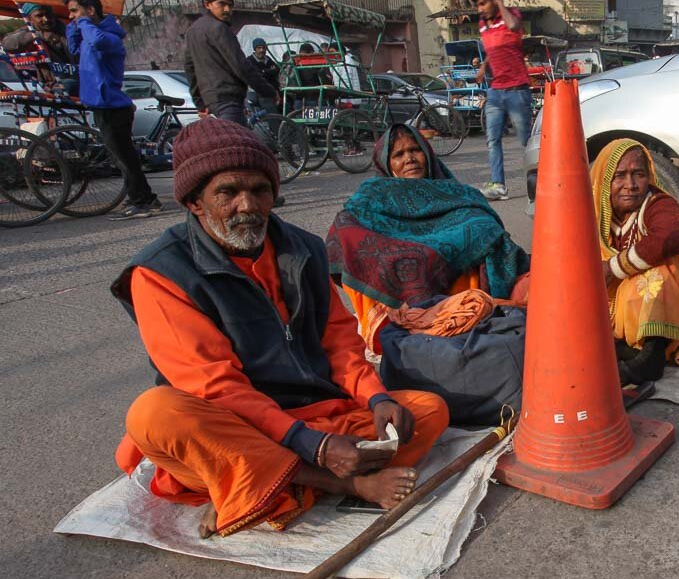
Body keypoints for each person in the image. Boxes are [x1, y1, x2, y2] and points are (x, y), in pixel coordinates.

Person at [111, 118, 450, 538]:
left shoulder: (302, 249)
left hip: (312, 413)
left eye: (259, 190)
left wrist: (376, 397)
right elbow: (215, 386)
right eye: (228, 193)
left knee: (427, 410)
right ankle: (340, 483)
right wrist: (317, 448)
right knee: (153, 415)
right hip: (235, 426)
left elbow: (341, 343)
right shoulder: (160, 273)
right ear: (196, 203)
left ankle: (266, 485)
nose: (248, 205)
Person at [326, 123, 530, 339]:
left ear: (427, 153)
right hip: (394, 298)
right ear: (387, 163)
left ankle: (462, 318)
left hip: (461, 305)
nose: (409, 159)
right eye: (399, 154)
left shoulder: (458, 194)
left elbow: (487, 228)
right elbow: (343, 229)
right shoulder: (374, 194)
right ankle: (386, 330)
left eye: (415, 150)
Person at [591, 139, 679, 384]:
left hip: (676, 303)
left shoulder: (658, 203)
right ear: (605, 179)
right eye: (620, 176)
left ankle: (651, 356)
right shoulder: (594, 212)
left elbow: (669, 237)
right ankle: (622, 347)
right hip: (615, 304)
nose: (630, 185)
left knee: (661, 268)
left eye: (638, 174)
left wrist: (614, 267)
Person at [63, 0, 160, 220]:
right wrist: (73, 26)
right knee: (122, 158)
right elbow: (74, 49)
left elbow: (96, 40)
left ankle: (143, 201)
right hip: (102, 106)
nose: (72, 16)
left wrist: (84, 21)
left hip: (112, 107)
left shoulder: (109, 38)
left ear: (91, 10)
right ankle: (143, 197)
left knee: (125, 159)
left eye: (75, 11)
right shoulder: (89, 35)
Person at [183, 0, 278, 126]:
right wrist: (268, 91)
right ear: (207, 5)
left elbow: (190, 70)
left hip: (211, 102)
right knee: (239, 145)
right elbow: (241, 66)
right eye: (221, 4)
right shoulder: (219, 28)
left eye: (230, 5)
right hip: (227, 100)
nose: (227, 9)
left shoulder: (192, 30)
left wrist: (200, 104)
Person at [473, 0, 531, 203]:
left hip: (517, 90)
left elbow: (514, 27)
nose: (480, 9)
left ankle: (539, 181)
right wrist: (484, 65)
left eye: (483, 3)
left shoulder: (511, 16)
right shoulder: (482, 24)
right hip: (496, 91)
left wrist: (500, 3)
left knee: (526, 140)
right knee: (492, 139)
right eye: (477, 5)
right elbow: (494, 47)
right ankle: (498, 185)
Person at [2, 2, 77, 95]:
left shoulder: (68, 30)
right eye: (39, 16)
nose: (46, 19)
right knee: (70, 85)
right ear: (30, 19)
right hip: (55, 84)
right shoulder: (27, 32)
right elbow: (8, 43)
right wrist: (38, 35)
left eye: (49, 15)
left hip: (81, 77)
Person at [245, 37, 279, 114]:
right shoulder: (249, 60)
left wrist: (264, 72)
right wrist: (269, 71)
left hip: (269, 90)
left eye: (263, 48)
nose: (262, 50)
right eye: (259, 48)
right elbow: (257, 75)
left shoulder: (268, 60)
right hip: (255, 92)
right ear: (255, 49)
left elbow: (276, 71)